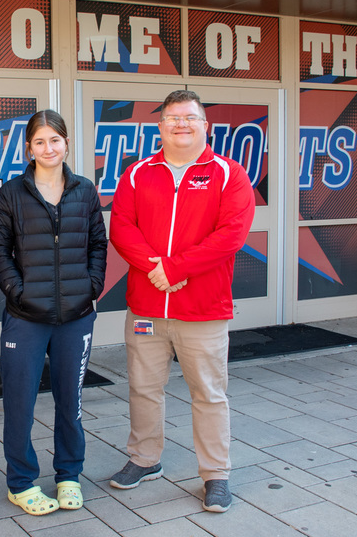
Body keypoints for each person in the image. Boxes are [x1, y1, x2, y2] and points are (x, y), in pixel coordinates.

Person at [108, 90, 255, 513]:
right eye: (172, 118)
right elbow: (122, 227)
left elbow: (231, 235)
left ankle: (216, 474)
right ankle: (144, 458)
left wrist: (177, 269)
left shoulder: (229, 173)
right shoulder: (138, 173)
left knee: (209, 394)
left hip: (203, 309)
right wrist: (158, 268)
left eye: (189, 117)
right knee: (143, 388)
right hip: (147, 307)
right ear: (160, 126)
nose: (181, 124)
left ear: (204, 125)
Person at [0, 109, 107, 515]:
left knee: (69, 401)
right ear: (28, 148)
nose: (48, 148)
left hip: (76, 317)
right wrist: (17, 293)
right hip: (26, 316)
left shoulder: (84, 191)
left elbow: (97, 245)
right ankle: (20, 482)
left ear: (66, 143)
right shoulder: (12, 194)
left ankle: (69, 475)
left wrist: (91, 287)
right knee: (19, 403)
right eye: (40, 141)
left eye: (55, 140)